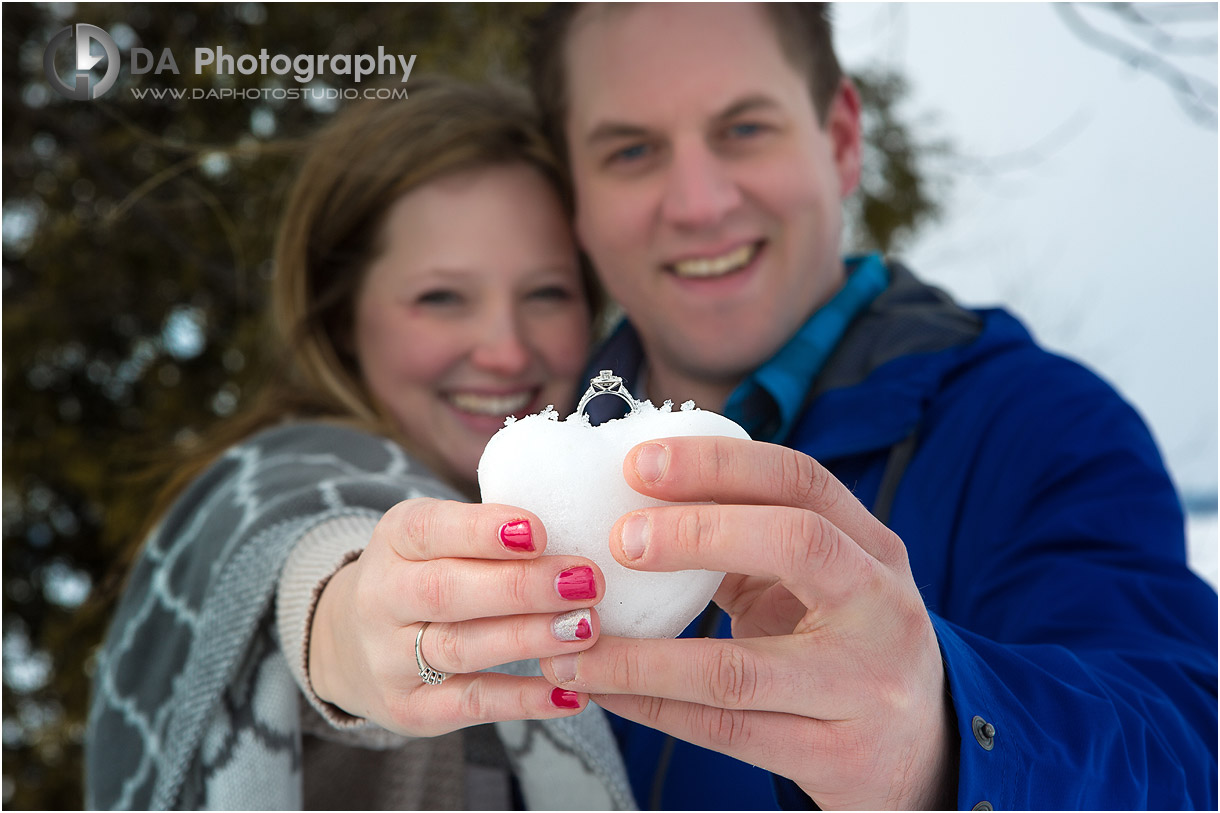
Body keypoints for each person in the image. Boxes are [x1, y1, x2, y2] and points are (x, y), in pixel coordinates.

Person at [511, 3, 1215, 810]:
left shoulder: (1039, 428)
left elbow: (1189, 744)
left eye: (744, 129)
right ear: (575, 198)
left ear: (842, 141)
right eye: (632, 150)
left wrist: (943, 744)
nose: (699, 203)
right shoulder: (505, 448)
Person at [85, 77, 637, 810]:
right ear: (345, 316)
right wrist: (360, 629)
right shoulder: (274, 475)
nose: (506, 351)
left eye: (549, 294)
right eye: (441, 297)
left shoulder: (599, 514)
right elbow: (314, 560)